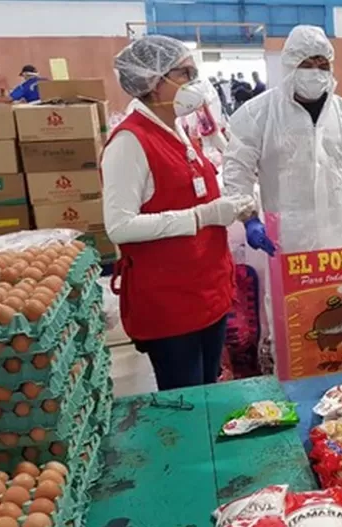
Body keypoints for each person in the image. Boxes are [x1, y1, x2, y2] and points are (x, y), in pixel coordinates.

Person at [102, 35, 255, 391]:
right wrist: (201, 217)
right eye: (185, 73)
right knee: (185, 401)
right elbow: (120, 225)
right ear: (155, 83)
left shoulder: (177, 129)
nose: (195, 81)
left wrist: (234, 207)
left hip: (205, 291)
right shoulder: (130, 142)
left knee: (207, 390)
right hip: (170, 303)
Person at [223, 25, 342, 256]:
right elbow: (238, 168)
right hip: (286, 240)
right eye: (306, 64)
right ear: (290, 66)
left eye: (323, 65)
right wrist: (249, 217)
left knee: (338, 292)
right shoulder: (258, 113)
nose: (315, 72)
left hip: (339, 238)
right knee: (292, 293)